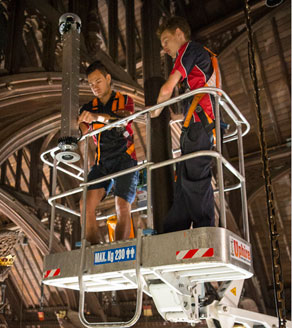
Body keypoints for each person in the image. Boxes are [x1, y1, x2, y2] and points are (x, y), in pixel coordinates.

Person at [151, 16, 217, 233]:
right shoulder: (198, 58)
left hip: (199, 127)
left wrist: (155, 111)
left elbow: (167, 88)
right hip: (196, 126)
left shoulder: (189, 50)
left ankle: (203, 231)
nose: (165, 48)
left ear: (179, 33)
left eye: (166, 40)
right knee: (184, 180)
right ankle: (173, 230)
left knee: (195, 178)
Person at [78, 61, 138, 244]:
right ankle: (94, 250)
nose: (94, 87)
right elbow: (82, 128)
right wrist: (79, 128)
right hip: (102, 162)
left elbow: (123, 120)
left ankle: (118, 249)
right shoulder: (87, 108)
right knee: (85, 205)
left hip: (125, 159)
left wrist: (96, 118)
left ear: (108, 78)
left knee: (122, 206)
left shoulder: (125, 100)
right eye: (91, 84)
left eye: (98, 81)